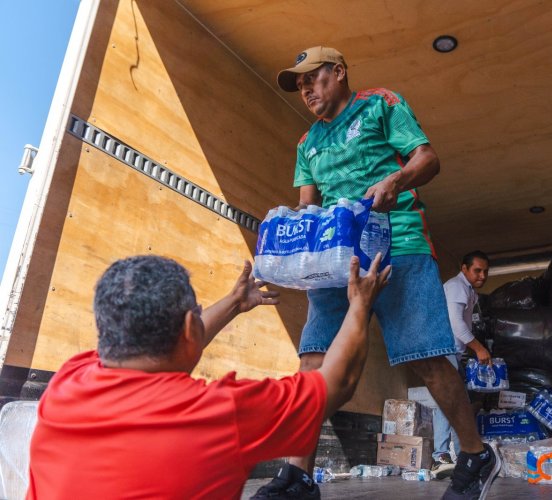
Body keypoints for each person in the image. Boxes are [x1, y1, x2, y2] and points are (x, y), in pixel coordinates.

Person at [253, 46, 500, 500]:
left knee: (424, 357)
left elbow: (427, 158)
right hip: (335, 262)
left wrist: (395, 181)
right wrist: (286, 249)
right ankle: (298, 475)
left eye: (314, 77)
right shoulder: (306, 144)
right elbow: (309, 208)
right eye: (300, 84)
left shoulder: (380, 104)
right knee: (313, 360)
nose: (306, 89)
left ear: (340, 72)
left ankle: (475, 454)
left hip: (398, 246)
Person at [27, 253, 390, 499]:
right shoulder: (220, 415)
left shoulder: (68, 380)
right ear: (189, 327)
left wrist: (234, 302)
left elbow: (180, 342)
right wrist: (360, 302)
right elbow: (337, 382)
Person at [431, 251, 491, 479]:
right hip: (444, 348)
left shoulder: (469, 291)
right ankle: (440, 455)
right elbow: (456, 324)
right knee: (449, 400)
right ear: (464, 269)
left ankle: (465, 454)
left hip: (453, 352)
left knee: (459, 403)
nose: (482, 275)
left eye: (485, 271)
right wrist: (478, 348)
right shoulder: (457, 286)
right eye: (477, 270)